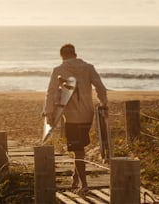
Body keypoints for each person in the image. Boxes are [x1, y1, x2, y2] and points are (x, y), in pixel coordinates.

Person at [43, 44, 108, 194]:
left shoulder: (58, 70)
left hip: (71, 117)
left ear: (61, 56)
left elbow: (50, 92)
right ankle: (75, 177)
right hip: (87, 115)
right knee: (79, 148)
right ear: (75, 53)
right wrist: (104, 103)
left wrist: (49, 112)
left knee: (78, 151)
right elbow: (101, 88)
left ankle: (84, 185)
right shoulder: (88, 67)